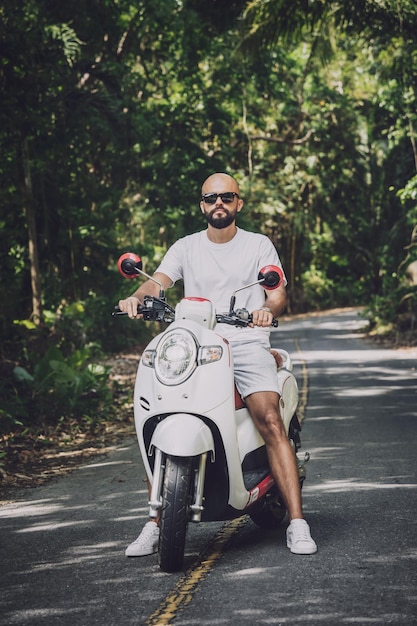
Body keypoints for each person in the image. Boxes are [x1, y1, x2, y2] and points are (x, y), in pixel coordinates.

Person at [119, 172, 317, 557]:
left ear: (239, 203)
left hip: (245, 342)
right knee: (158, 414)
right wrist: (136, 296)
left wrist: (263, 311)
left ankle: (296, 522)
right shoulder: (186, 247)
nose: (219, 204)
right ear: (202, 205)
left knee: (270, 418)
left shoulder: (258, 245)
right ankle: (155, 522)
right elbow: (157, 282)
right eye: (211, 198)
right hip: (194, 344)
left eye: (227, 197)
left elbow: (276, 295)